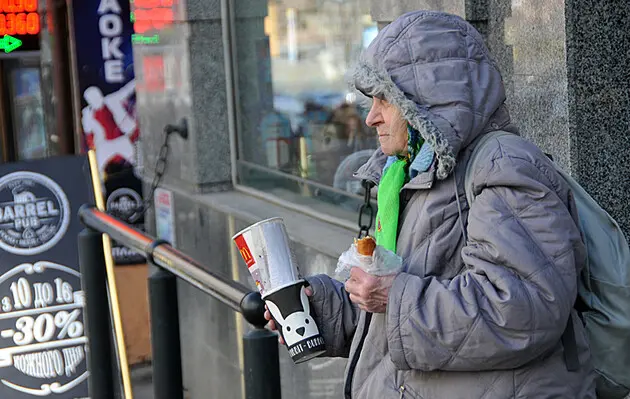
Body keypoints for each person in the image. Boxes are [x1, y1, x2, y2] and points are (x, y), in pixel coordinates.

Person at [264, 10, 596, 399]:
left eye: (383, 100)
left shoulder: (503, 166)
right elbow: (402, 300)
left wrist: (392, 296)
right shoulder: (411, 173)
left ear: (427, 100)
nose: (370, 117)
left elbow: (523, 310)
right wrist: (325, 310)